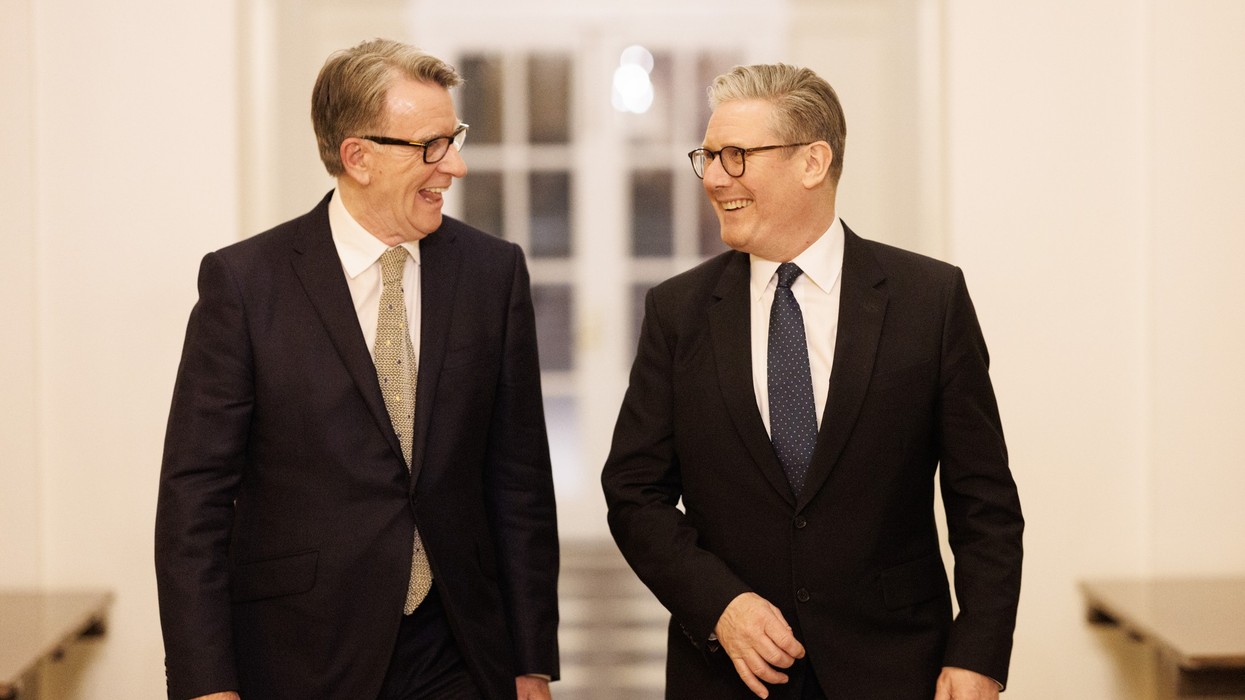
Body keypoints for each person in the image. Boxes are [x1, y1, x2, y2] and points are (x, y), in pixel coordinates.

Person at [601, 63, 1023, 700]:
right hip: (729, 674)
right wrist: (719, 605)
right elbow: (634, 494)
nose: (714, 177)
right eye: (708, 156)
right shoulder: (678, 313)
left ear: (812, 162)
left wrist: (980, 656)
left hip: (897, 670)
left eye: (736, 155)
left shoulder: (928, 300)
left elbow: (984, 504)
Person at [155, 39, 559, 700]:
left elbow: (518, 483)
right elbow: (193, 503)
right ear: (358, 157)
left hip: (458, 648)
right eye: (430, 146)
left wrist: (530, 662)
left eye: (451, 138)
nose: (452, 165)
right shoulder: (246, 284)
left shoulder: (494, 273)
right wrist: (206, 685)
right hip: (300, 651)